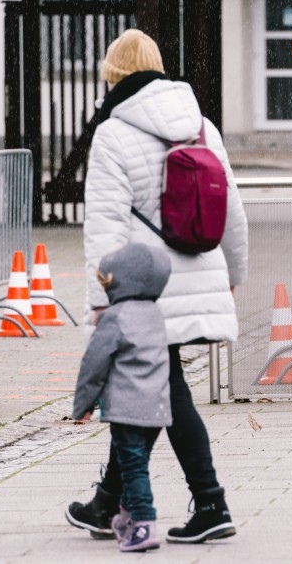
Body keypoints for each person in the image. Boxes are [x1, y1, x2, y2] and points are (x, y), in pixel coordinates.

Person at [66, 29, 248, 545]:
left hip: (145, 290)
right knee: (152, 389)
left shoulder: (113, 134)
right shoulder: (202, 127)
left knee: (162, 391)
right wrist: (233, 275)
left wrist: (102, 302)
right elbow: (232, 212)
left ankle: (211, 501)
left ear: (113, 75)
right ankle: (107, 503)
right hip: (198, 273)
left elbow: (104, 230)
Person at [73, 243, 174, 553]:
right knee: (137, 465)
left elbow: (95, 362)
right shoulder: (156, 314)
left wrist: (83, 404)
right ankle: (125, 519)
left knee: (133, 470)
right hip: (158, 408)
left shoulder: (114, 317)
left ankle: (145, 525)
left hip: (127, 409)